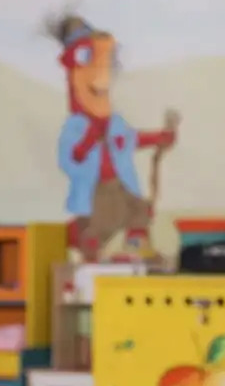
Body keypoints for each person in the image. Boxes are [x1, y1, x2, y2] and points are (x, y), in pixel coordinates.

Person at [48, 14, 177, 261]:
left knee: (139, 211)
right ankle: (92, 256)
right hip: (97, 191)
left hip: (120, 186)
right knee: (97, 226)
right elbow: (70, 159)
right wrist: (88, 140)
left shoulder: (113, 122)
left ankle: (134, 250)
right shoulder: (75, 126)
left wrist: (160, 137)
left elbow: (130, 140)